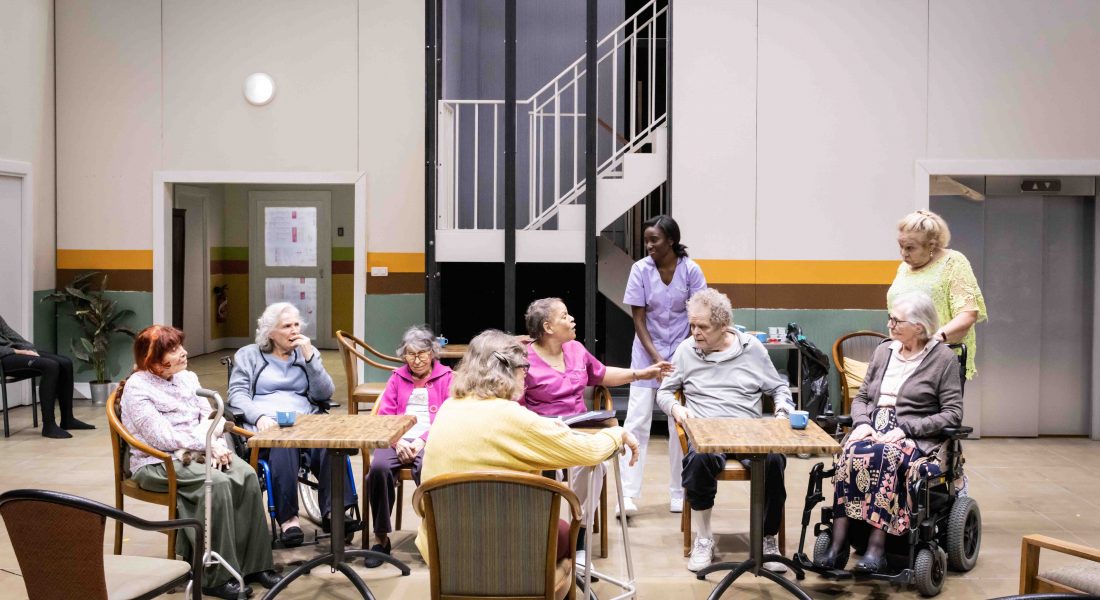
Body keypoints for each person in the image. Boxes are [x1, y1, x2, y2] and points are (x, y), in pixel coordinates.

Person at [415, 329, 640, 565]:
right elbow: (589, 452)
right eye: (524, 366)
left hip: (444, 550)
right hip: (504, 551)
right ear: (507, 371)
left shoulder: (448, 408)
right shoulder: (513, 417)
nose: (526, 373)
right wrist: (617, 433)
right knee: (563, 534)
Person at [121, 325, 280, 600]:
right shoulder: (138, 388)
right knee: (215, 483)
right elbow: (162, 437)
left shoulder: (188, 378)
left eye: (181, 346)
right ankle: (213, 575)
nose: (183, 353)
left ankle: (255, 565)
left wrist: (215, 444)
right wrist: (207, 442)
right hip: (157, 461)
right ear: (153, 359)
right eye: (173, 350)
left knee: (246, 474)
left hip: (199, 450)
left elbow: (210, 417)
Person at [816, 291, 963, 573]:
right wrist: (862, 424)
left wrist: (906, 428)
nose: (889, 325)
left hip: (914, 434)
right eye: (890, 319)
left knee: (886, 456)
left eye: (896, 321)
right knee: (848, 452)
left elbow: (953, 413)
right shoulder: (884, 351)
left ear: (919, 326)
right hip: (873, 425)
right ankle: (838, 543)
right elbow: (861, 399)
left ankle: (876, 547)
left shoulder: (943, 359)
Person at [521, 297, 669, 564]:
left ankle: (579, 539)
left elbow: (601, 375)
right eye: (565, 316)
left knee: (593, 465)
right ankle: (541, 536)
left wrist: (641, 374)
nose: (572, 320)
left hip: (579, 429)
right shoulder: (524, 359)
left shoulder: (576, 349)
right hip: (541, 433)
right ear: (548, 327)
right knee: (545, 467)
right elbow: (515, 407)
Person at [656, 288, 794, 573]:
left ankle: (767, 537)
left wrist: (782, 411)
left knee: (773, 460)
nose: (695, 332)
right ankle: (704, 537)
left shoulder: (752, 349)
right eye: (692, 325)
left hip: (748, 431)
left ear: (723, 326)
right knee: (698, 460)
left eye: (702, 326)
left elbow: (778, 387)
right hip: (706, 432)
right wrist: (676, 410)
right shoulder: (685, 351)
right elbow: (664, 392)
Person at [228, 302, 358, 548]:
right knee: (283, 446)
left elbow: (324, 394)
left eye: (296, 324)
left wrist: (310, 358)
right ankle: (289, 521)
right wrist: (258, 417)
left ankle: (335, 513)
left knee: (331, 445)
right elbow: (237, 395)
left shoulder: (307, 352)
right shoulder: (249, 355)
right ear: (270, 332)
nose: (294, 330)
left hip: (306, 421)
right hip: (269, 426)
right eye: (286, 326)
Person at [620, 214, 706, 517]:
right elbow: (638, 318)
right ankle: (628, 495)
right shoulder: (640, 270)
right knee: (636, 423)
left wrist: (680, 354)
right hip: (646, 355)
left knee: (678, 425)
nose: (649, 245)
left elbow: (698, 316)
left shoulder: (691, 271)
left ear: (671, 240)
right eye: (646, 240)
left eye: (654, 240)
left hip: (683, 356)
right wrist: (656, 358)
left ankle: (677, 492)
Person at [364, 325, 453, 568]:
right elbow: (385, 417)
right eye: (411, 354)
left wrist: (422, 440)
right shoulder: (397, 378)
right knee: (378, 470)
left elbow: (447, 416)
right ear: (404, 355)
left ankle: (434, 535)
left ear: (432, 352)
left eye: (422, 353)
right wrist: (398, 440)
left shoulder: (447, 378)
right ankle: (381, 538)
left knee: (430, 470)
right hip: (398, 438)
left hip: (430, 438)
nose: (416, 360)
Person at [888, 210, 987, 380]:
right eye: (901, 246)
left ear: (931, 245)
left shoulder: (953, 262)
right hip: (903, 357)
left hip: (939, 358)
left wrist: (935, 339)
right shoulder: (904, 268)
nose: (903, 253)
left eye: (910, 247)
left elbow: (968, 314)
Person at [0, 313, 94, 438]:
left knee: (65, 363)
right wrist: (20, 351)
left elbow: (11, 334)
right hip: (3, 358)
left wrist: (29, 349)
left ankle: (68, 419)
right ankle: (48, 425)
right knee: (50, 366)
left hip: (14, 353)